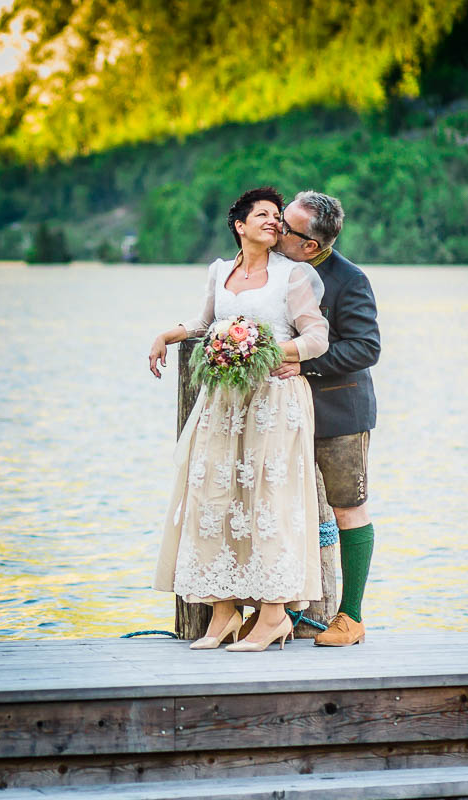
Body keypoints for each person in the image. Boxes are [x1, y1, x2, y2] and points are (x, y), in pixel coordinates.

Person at [148, 187, 330, 652]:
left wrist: (263, 348)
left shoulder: (294, 276)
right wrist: (168, 335)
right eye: (264, 215)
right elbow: (206, 324)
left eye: (277, 217)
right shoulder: (219, 271)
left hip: (275, 402)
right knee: (215, 501)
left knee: (270, 505)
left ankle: (273, 617)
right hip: (224, 404)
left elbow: (316, 338)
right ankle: (222, 614)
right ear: (240, 225)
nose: (274, 222)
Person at [271, 190, 380, 646]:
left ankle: (350, 617)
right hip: (282, 412)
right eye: (277, 220)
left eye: (285, 227)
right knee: (282, 509)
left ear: (311, 245)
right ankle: (288, 610)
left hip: (339, 412)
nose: (276, 230)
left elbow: (366, 346)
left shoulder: (349, 279)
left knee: (347, 509)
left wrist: (304, 363)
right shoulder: (271, 271)